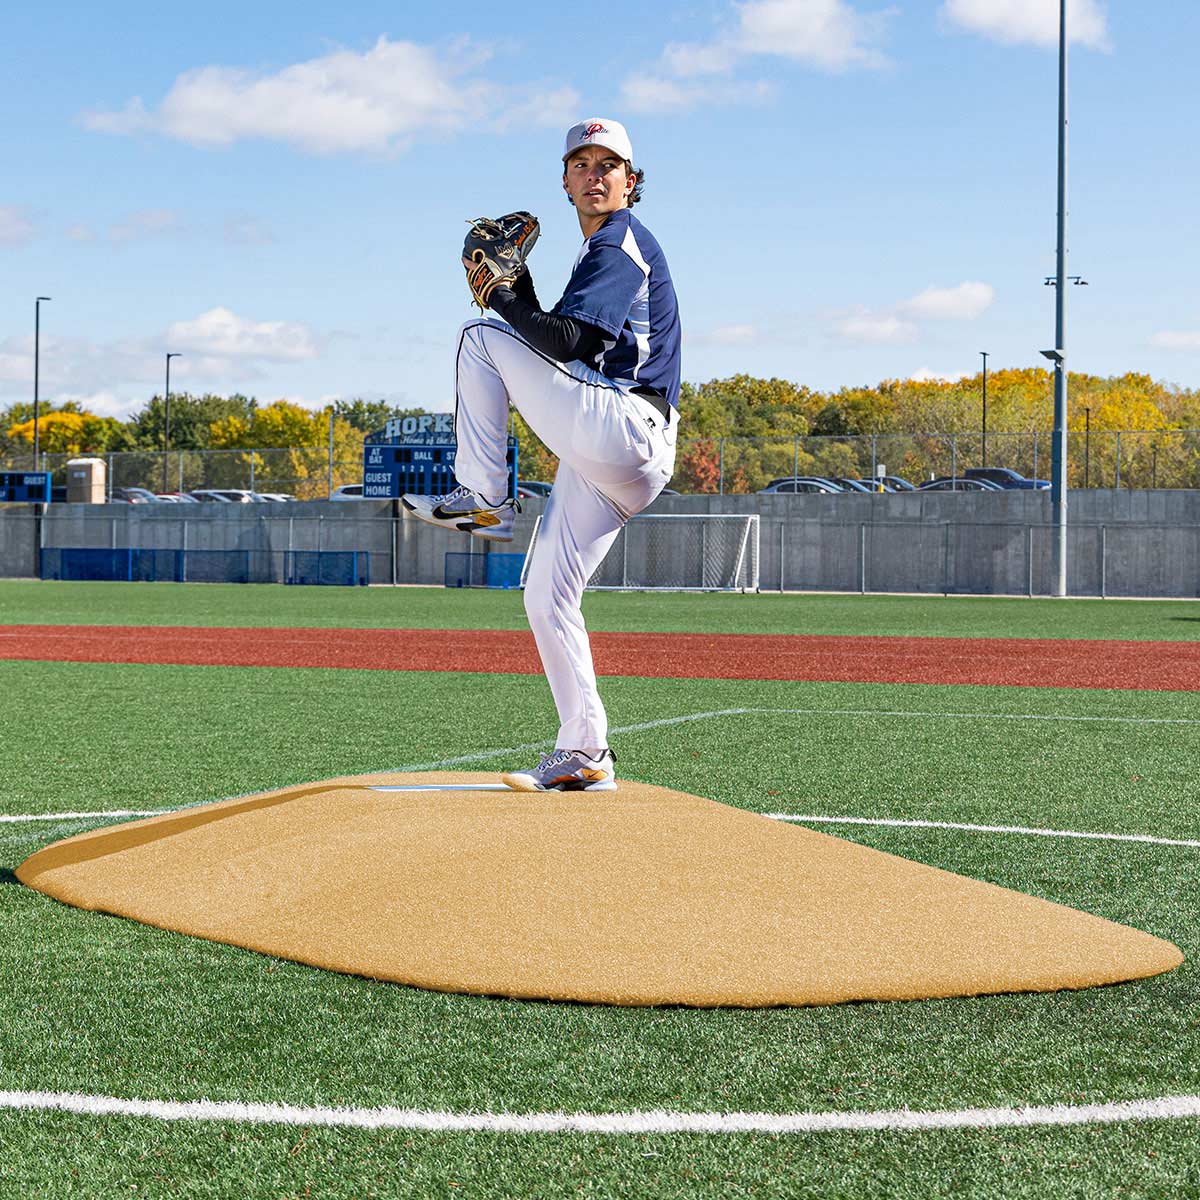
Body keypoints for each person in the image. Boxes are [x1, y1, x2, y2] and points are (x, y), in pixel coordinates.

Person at [402, 117, 681, 792]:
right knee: (546, 596)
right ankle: (585, 751)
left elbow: (562, 346)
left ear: (631, 182)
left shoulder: (619, 245)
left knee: (477, 339)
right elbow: (554, 337)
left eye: (608, 164)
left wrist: (499, 296)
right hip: (612, 453)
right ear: (564, 181)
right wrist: (519, 293)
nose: (595, 174)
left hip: (622, 424)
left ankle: (485, 497)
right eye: (581, 164)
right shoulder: (604, 251)